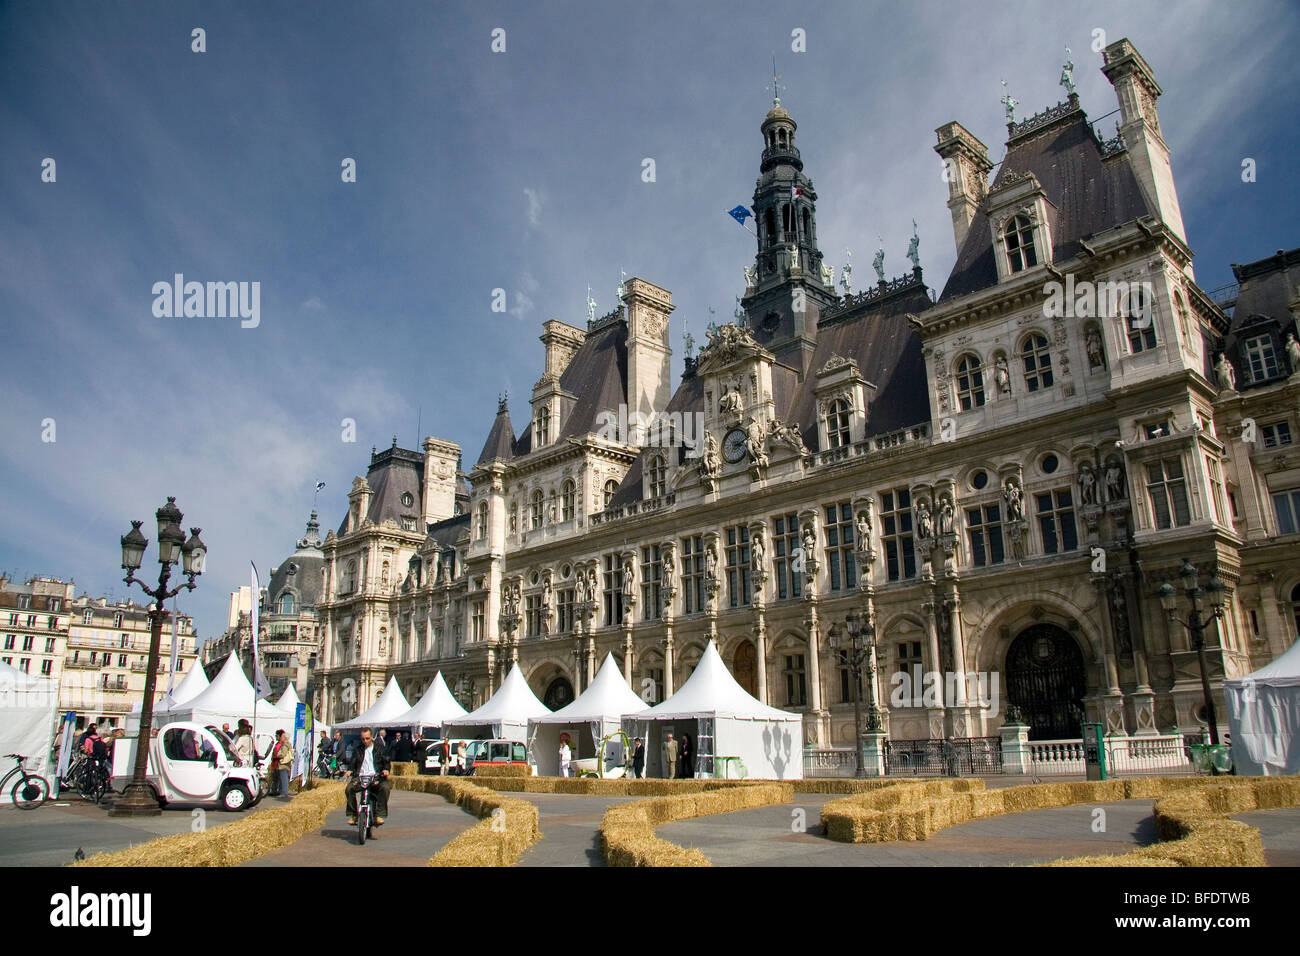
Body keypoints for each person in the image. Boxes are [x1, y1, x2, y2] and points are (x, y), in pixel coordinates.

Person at [345, 727, 391, 826]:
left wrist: (386, 769)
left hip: (376, 776)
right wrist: (349, 770)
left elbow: (386, 761)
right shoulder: (358, 749)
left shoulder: (380, 748)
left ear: (372, 737)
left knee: (385, 788)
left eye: (367, 738)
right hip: (360, 777)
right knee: (349, 789)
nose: (365, 741)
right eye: (363, 739)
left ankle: (379, 814)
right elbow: (353, 762)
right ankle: (354, 814)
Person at [270, 729, 294, 798]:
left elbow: (283, 754)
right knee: (283, 778)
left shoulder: (284, 746)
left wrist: (277, 755)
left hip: (283, 764)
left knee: (283, 779)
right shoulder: (287, 745)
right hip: (286, 764)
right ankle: (282, 791)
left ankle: (284, 792)